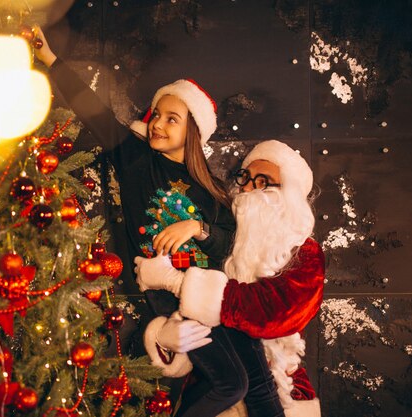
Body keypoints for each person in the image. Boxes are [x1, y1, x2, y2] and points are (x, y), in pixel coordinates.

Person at [34, 28, 282, 417]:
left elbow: (225, 244)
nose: (157, 124)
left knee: (260, 384)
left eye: (172, 119)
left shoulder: (210, 190)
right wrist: (51, 60)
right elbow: (92, 109)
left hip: (213, 298)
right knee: (231, 383)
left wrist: (195, 228)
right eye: (156, 116)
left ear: (192, 131)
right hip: (172, 299)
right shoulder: (135, 159)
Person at [136, 140, 325, 416]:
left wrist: (174, 281)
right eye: (245, 178)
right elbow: (186, 309)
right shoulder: (227, 240)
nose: (248, 189)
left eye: (263, 182)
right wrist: (168, 334)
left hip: (281, 388)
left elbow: (271, 311)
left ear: (289, 194)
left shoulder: (305, 253)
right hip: (214, 390)